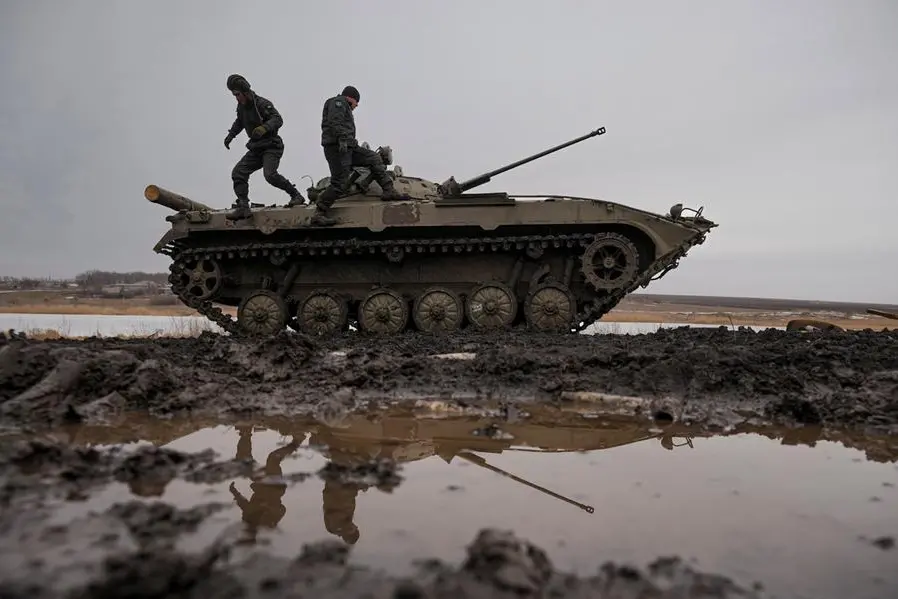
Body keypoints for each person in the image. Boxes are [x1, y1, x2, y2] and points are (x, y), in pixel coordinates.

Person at [310, 85, 405, 227]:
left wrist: (349, 142)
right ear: (352, 98)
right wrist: (343, 139)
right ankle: (319, 212)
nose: (356, 106)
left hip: (349, 147)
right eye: (356, 103)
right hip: (338, 148)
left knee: (373, 157)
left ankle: (388, 190)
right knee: (340, 183)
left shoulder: (344, 106)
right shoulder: (339, 102)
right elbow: (335, 122)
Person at [223, 74, 306, 221]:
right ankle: (243, 207)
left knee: (270, 175)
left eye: (237, 94)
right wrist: (231, 136)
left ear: (245, 92)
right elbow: (239, 122)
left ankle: (296, 195)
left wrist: (264, 128)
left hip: (271, 146)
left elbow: (278, 119)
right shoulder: (242, 107)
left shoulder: (262, 104)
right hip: (256, 148)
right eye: (234, 95)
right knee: (238, 172)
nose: (236, 98)